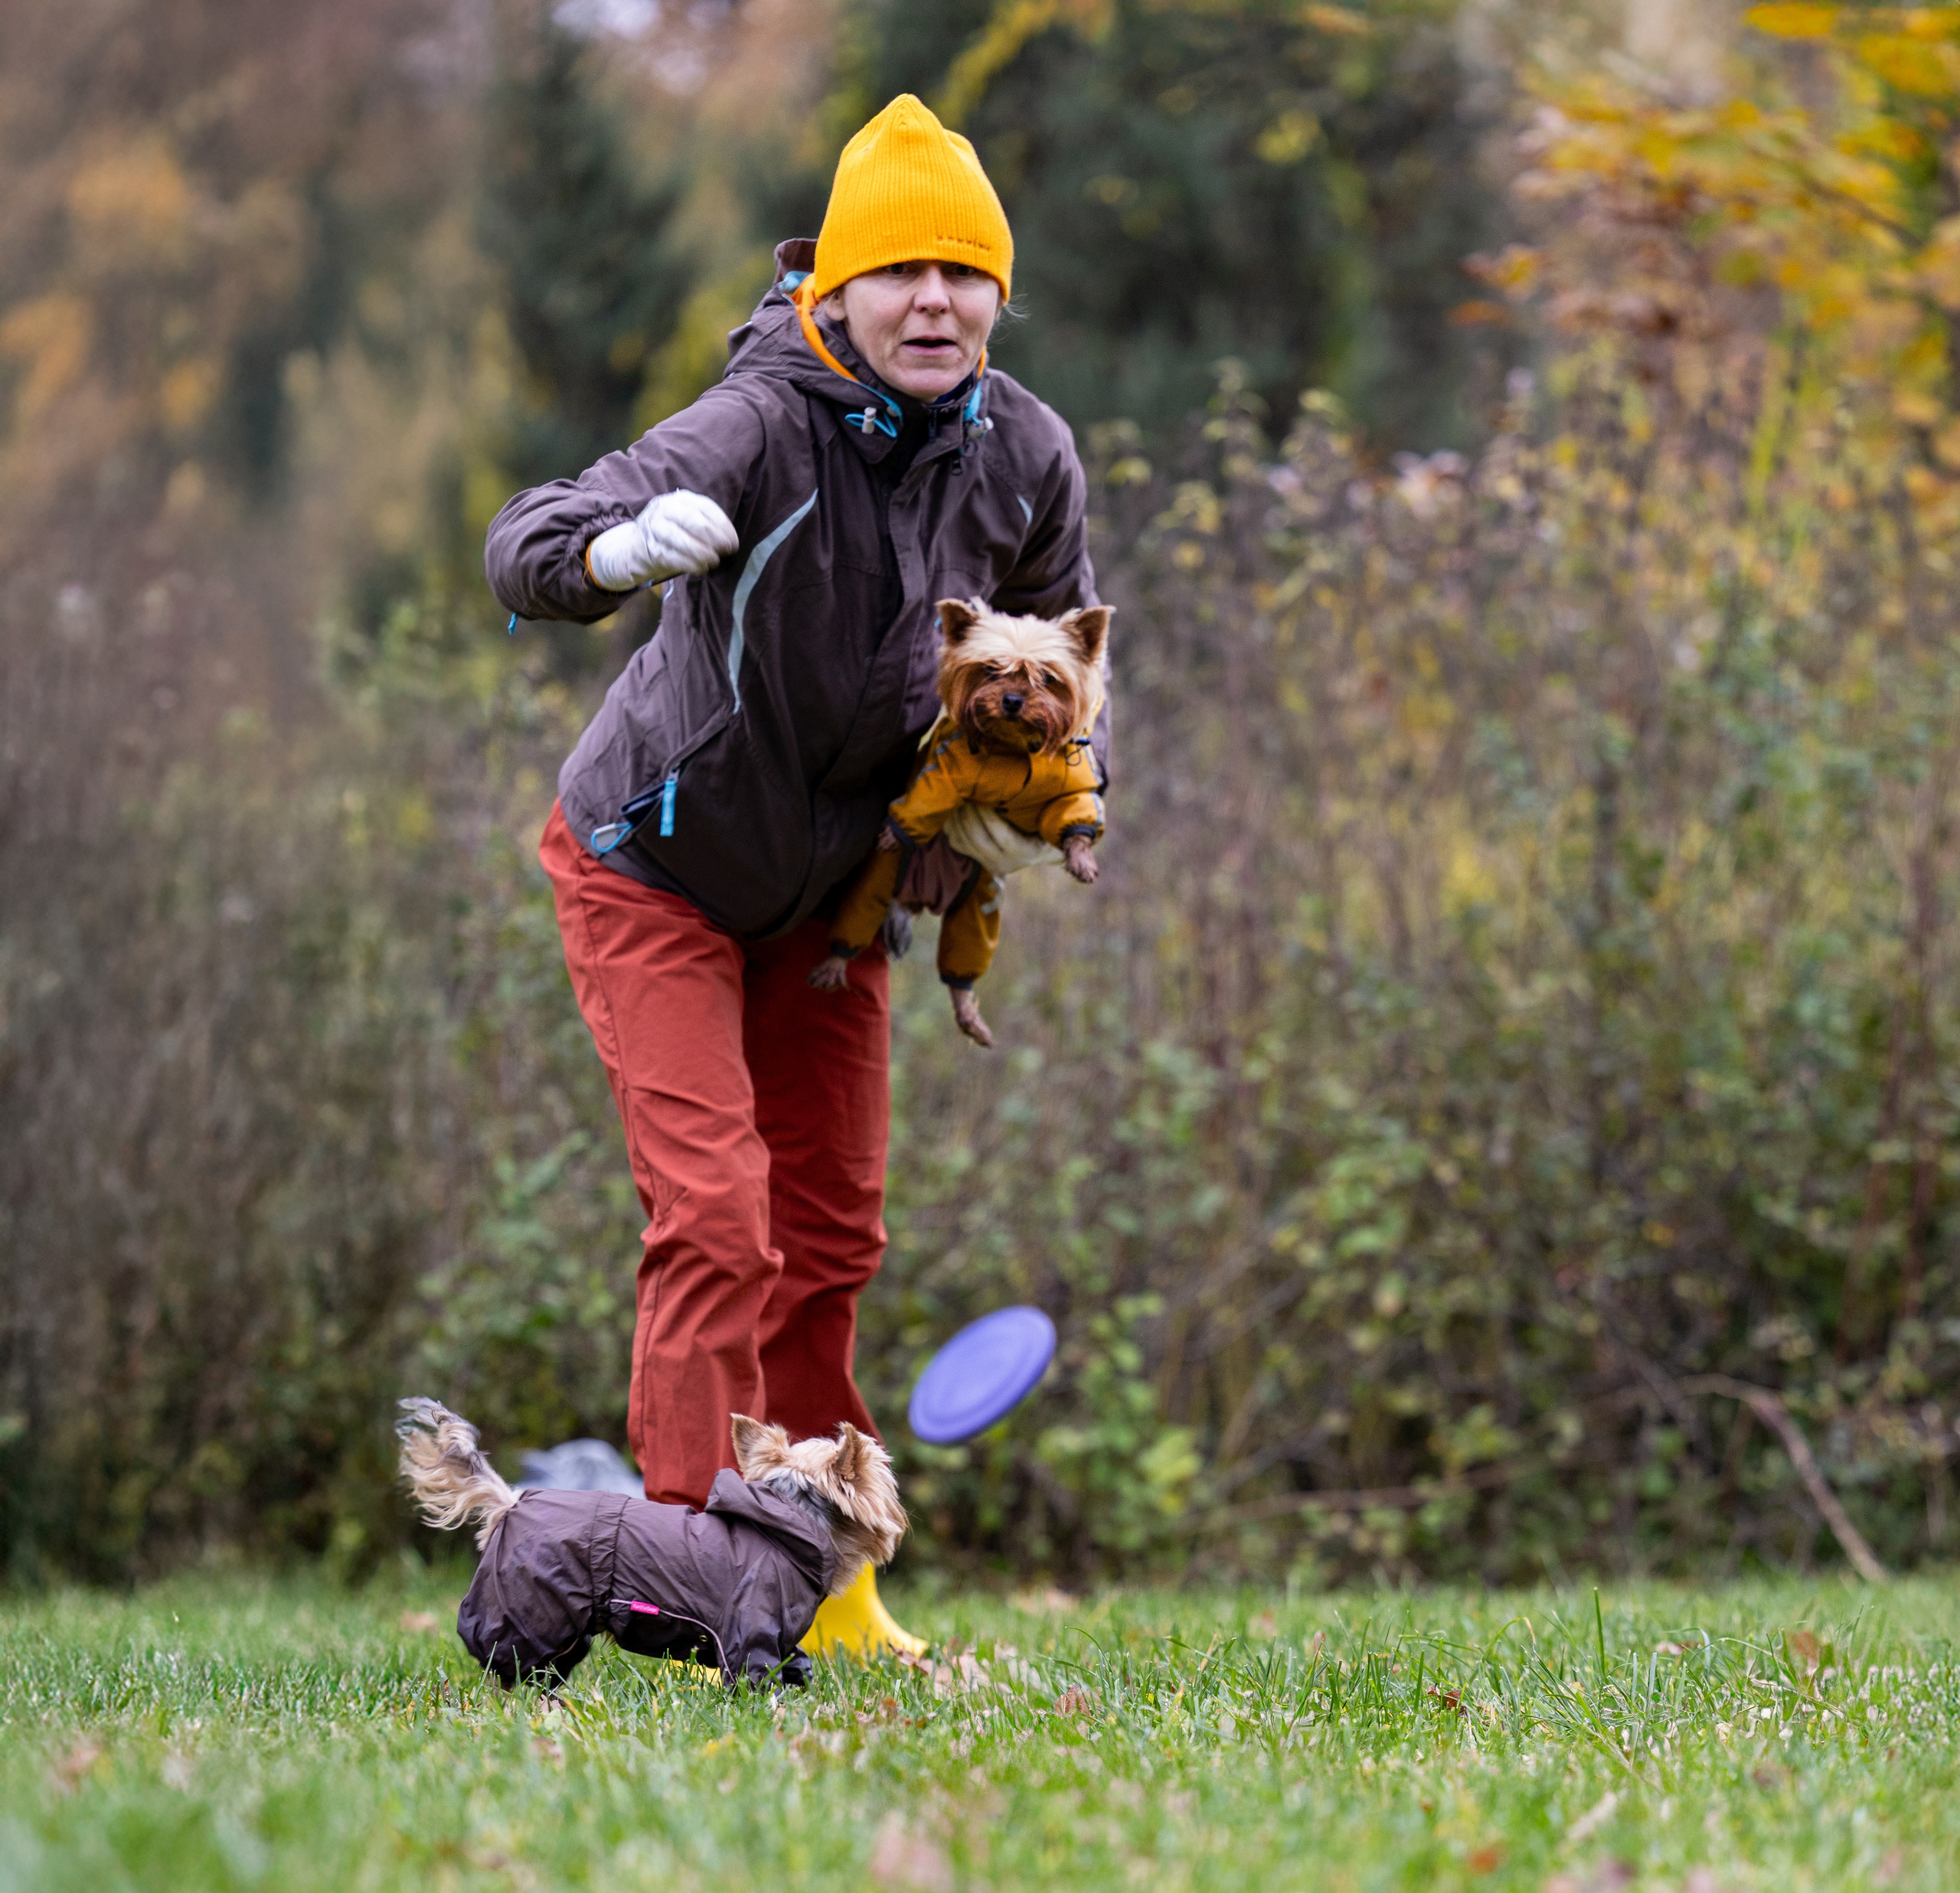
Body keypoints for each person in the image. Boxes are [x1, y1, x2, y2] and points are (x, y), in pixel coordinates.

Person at [485, 93, 1106, 1656]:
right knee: (716, 1213)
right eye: (895, 271)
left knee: (829, 1235)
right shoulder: (757, 421)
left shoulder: (1026, 451)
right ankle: (689, 1573)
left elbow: (1066, 655)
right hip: (660, 866)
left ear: (995, 297)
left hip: (837, 899)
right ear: (829, 289)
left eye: (962, 275)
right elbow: (530, 535)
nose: (931, 301)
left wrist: (1022, 810)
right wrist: (611, 558)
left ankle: (827, 1595)